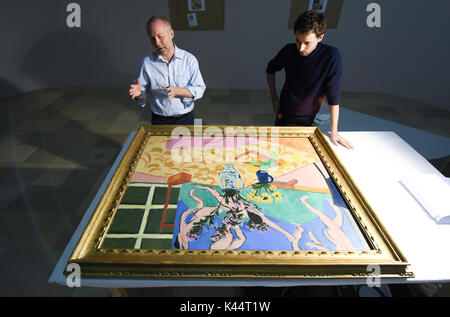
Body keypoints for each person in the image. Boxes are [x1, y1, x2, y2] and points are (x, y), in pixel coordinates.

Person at [266, 11, 354, 149]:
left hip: (310, 115)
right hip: (285, 111)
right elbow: (270, 70)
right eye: (298, 41)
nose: (301, 48)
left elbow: (333, 96)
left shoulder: (331, 56)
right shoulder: (288, 51)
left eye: (307, 43)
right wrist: (274, 98)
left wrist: (334, 132)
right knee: (279, 150)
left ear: (320, 38)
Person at [129, 16, 206, 125]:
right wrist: (138, 95)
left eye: (160, 37)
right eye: (152, 39)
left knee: (186, 143)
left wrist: (177, 91)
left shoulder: (189, 60)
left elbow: (200, 89)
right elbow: (141, 95)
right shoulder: (147, 63)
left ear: (171, 34)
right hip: (159, 119)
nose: (157, 43)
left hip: (186, 118)